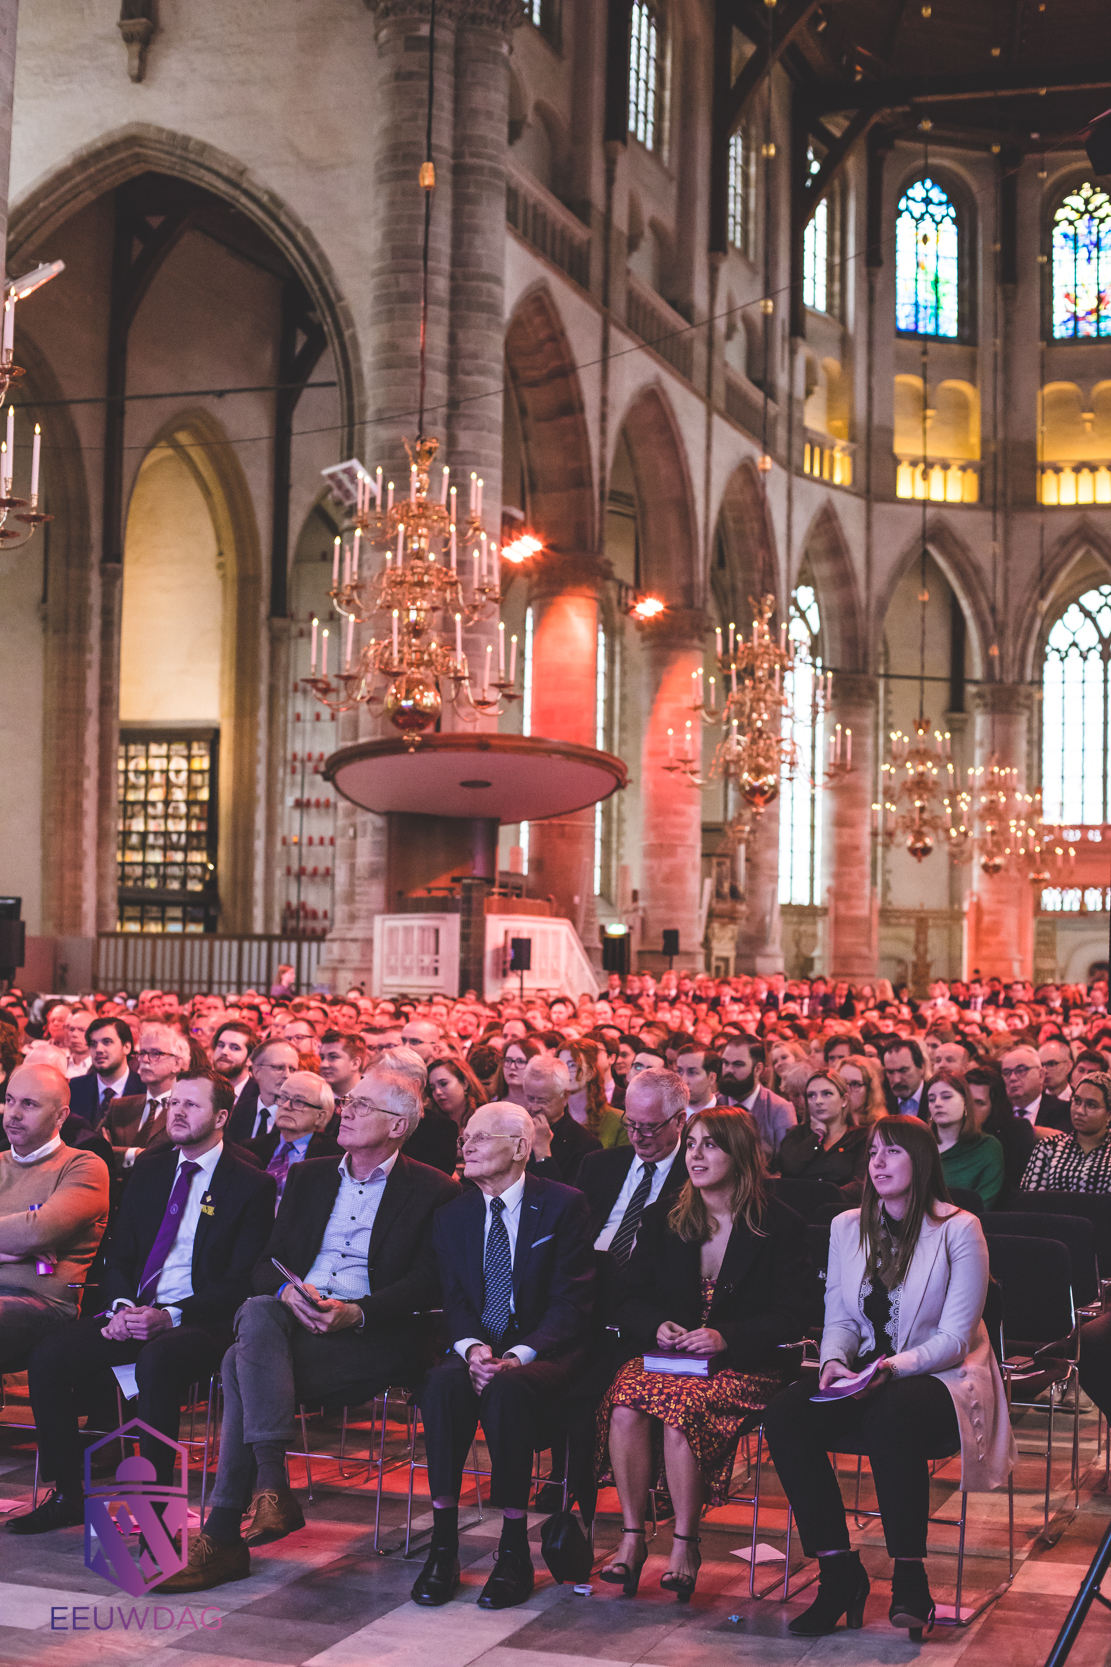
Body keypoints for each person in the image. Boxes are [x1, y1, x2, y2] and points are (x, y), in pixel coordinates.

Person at [161, 1070, 460, 1592]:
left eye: (362, 1106)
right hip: (292, 1322)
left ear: (398, 1126)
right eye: (348, 1101)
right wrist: (288, 1293)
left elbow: (429, 1285)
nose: (346, 1110)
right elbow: (266, 1264)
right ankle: (268, 1490)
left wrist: (356, 1311)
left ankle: (234, 1526)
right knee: (259, 1307)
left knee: (237, 1362)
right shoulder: (310, 1176)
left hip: (373, 1335)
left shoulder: (433, 1188)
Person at [762, 1116, 1014, 1638]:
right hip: (867, 1370)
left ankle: (909, 1576)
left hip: (939, 1374)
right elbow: (841, 1318)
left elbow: (956, 1338)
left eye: (892, 1152)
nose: (877, 1162)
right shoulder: (846, 1226)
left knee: (889, 1414)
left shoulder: (958, 1228)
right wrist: (834, 1361)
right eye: (872, 1152)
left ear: (920, 1162)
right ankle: (838, 1573)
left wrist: (891, 1367)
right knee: (786, 1414)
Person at [13, 1070, 276, 1533]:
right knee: (50, 1356)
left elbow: (241, 1282)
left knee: (158, 1359)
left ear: (220, 1116)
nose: (177, 1111)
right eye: (175, 1102)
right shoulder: (152, 1168)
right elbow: (121, 1255)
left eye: (191, 1105)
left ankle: (158, 1511)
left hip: (201, 1318)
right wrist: (118, 1308)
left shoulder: (249, 1183)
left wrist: (169, 1316)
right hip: (132, 1311)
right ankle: (68, 1491)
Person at [596, 1109, 819, 1601]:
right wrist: (657, 1325)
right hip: (671, 1356)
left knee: (681, 1410)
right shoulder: (663, 1218)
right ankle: (632, 1539)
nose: (695, 1155)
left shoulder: (780, 1224)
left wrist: (726, 1337)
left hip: (746, 1361)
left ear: (739, 1154)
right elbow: (628, 1299)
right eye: (691, 1143)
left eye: (710, 1145)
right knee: (627, 1400)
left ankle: (684, 1544)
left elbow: (794, 1313)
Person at [410, 1104, 593, 1611]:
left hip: (544, 1346)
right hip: (479, 1345)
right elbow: (455, 1300)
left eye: (480, 1138)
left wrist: (517, 1353)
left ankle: (514, 1550)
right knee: (442, 1385)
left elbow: (570, 1301)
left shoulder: (563, 1205)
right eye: (464, 1138)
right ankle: (444, 1546)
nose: (465, 1147)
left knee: (509, 1389)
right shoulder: (453, 1214)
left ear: (519, 1148)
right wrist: (472, 1349)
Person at [0, 1064, 110, 1368]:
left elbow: (38, 1231)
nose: (14, 1113)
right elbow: (27, 1234)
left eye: (29, 1104)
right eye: (9, 1100)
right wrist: (9, 1253)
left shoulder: (84, 1166)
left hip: (43, 1304)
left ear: (61, 1115)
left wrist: (25, 1238)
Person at [104, 1022, 191, 1169]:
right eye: (142, 1053)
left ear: (177, 1063)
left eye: (155, 1054)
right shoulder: (120, 1106)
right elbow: (95, 1149)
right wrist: (137, 1153)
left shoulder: (187, 1110)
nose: (145, 1060)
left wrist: (119, 1153)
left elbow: (172, 1159)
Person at [244, 1070, 341, 1202]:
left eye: (299, 1102)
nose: (286, 1106)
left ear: (320, 1116)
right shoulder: (252, 1148)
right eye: (283, 1097)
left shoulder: (333, 1156)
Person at [775, 1068, 869, 1199]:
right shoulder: (796, 1133)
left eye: (827, 1093)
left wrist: (826, 1196)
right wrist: (816, 1135)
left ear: (844, 1100)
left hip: (842, 1208)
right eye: (811, 1095)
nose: (818, 1101)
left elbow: (861, 1184)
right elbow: (789, 1168)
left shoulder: (862, 1136)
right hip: (798, 1208)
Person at [1020, 1071, 1111, 1193]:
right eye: (1077, 1101)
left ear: (1109, 1114)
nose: (1080, 1111)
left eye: (1091, 1105)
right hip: (1050, 1212)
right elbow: (1030, 1200)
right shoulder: (1049, 1147)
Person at [926, 1069, 1005, 1210]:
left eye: (946, 1097)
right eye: (931, 1099)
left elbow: (983, 1203)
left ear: (965, 1102)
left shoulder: (987, 1147)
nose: (937, 1103)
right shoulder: (920, 1145)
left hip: (965, 1227)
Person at [521, 1055, 602, 1182]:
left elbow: (566, 1198)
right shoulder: (514, 1130)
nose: (534, 1108)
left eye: (543, 1101)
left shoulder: (586, 1144)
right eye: (530, 1099)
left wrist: (543, 1153)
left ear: (564, 1096)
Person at [719, 1035, 796, 1157]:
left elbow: (786, 1161)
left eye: (738, 1064)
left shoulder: (779, 1109)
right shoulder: (715, 1103)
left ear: (758, 1069)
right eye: (725, 1063)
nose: (729, 1070)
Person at [69, 1016, 143, 1125]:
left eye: (107, 1042)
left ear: (126, 1047)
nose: (98, 1049)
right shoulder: (74, 1088)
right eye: (93, 1044)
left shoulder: (144, 1089)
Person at [227, 1039, 300, 1145]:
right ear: (256, 1071)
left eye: (292, 1069)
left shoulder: (299, 1117)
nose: (287, 1075)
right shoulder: (235, 1113)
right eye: (279, 1068)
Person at [558, 1040, 628, 1148]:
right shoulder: (554, 1118)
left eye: (572, 1065)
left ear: (591, 1072)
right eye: (560, 1065)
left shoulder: (618, 1121)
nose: (564, 1071)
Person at [1001, 1044, 1072, 1133]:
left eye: (1021, 1070)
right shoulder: (997, 1111)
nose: (1012, 1078)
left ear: (1041, 1075)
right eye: (1006, 1073)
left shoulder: (1062, 1110)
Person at [427, 1054, 488, 1133]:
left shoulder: (485, 1118)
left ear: (465, 1083)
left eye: (443, 1084)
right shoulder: (432, 1124)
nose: (437, 1092)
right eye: (432, 1088)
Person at [317, 1029, 367, 1113]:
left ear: (355, 1063)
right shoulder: (315, 1099)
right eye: (322, 1058)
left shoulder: (374, 1102)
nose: (323, 1064)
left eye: (333, 1057)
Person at [212, 1021, 259, 1105]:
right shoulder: (203, 1089)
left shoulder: (259, 1095)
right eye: (221, 1045)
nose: (224, 1051)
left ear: (250, 1059)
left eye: (235, 1048)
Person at [880, 1038, 927, 1118]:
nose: (896, 1080)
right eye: (890, 1072)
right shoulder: (881, 1103)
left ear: (922, 1067)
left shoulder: (938, 1099)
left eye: (903, 1070)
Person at [838, 1054, 888, 1127]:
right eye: (842, 1082)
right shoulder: (828, 1127)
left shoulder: (879, 1128)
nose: (847, 1089)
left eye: (855, 1084)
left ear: (869, 1089)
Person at [673, 1046, 722, 1114]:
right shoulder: (666, 1115)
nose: (683, 1081)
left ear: (712, 1078)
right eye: (679, 1071)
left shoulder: (729, 1117)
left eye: (692, 1072)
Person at [495, 1037, 541, 1108]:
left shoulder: (541, 1109)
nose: (512, 1067)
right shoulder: (493, 1106)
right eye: (508, 1060)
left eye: (520, 1061)